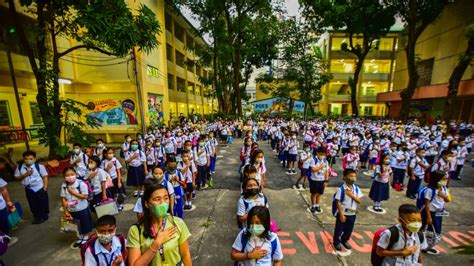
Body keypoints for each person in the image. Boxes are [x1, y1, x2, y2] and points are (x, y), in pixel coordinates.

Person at [127, 183, 192, 266]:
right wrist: (157, 243)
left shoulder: (177, 223)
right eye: (157, 199)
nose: (163, 203)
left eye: (166, 198)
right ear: (147, 204)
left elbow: (185, 255)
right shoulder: (136, 230)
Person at [419, 170, 451, 255]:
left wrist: (443, 196)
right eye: (443, 179)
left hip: (439, 212)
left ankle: (429, 246)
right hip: (430, 213)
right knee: (425, 229)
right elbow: (427, 204)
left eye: (446, 179)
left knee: (435, 231)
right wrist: (429, 217)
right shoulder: (429, 190)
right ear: (437, 179)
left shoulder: (444, 188)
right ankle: (422, 245)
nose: (445, 181)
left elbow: (448, 200)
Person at [14, 151, 49, 224]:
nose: (28, 160)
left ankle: (44, 216)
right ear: (23, 159)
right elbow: (16, 177)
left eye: (30, 158)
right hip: (29, 189)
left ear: (34, 159)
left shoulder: (39, 166)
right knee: (32, 203)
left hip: (39, 188)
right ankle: (37, 216)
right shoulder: (20, 167)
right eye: (26, 159)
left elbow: (45, 176)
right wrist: (25, 175)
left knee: (42, 202)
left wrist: (45, 187)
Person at [61, 167, 93, 248]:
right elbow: (63, 198)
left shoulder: (81, 184)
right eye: (67, 175)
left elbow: (85, 196)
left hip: (82, 208)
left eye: (72, 174)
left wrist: (73, 193)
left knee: (84, 222)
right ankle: (81, 237)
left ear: (75, 174)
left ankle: (86, 237)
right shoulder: (64, 185)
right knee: (76, 223)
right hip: (71, 209)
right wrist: (65, 211)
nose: (70, 177)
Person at [333, 169, 363, 253]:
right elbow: (338, 202)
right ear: (345, 177)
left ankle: (344, 240)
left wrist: (351, 195)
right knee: (339, 229)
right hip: (343, 213)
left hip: (352, 213)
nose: (353, 178)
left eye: (354, 176)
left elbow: (359, 201)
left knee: (349, 229)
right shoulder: (341, 189)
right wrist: (341, 214)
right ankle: (336, 242)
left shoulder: (356, 189)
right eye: (350, 176)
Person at [0, 159, 17, 246]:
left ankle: (6, 239)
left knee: (3, 223)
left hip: (1, 207)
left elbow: (3, 190)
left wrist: (8, 201)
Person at [308, 148, 329, 214]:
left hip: (322, 180)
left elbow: (327, 172)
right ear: (317, 153)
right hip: (314, 179)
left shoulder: (326, 161)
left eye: (323, 154)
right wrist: (321, 166)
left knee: (319, 193)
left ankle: (317, 205)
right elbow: (313, 169)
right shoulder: (313, 160)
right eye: (321, 154)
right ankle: (313, 205)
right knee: (314, 193)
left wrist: (326, 181)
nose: (322, 156)